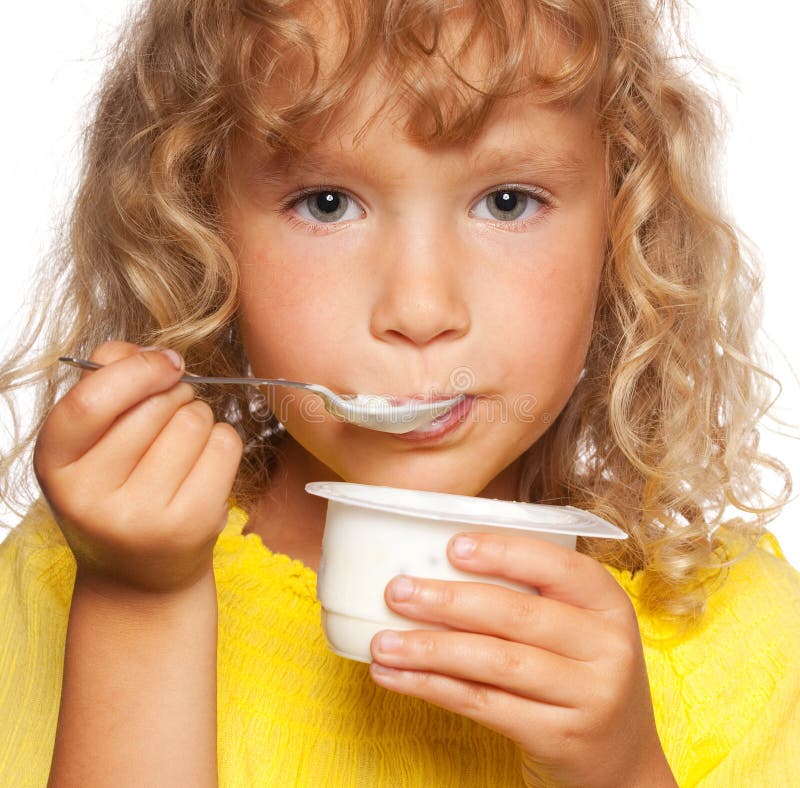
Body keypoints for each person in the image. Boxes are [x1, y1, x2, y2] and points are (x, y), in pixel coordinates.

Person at [1, 0, 798, 785]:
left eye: (507, 202)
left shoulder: (737, 645)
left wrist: (620, 773)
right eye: (327, 204)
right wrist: (139, 602)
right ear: (201, 227)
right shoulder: (80, 569)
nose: (419, 310)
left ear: (621, 231)